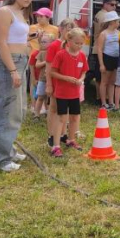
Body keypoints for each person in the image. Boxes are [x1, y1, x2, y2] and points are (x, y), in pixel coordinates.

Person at [0, 0, 34, 172]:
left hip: (20, 62)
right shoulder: (4, 12)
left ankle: (9, 149)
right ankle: (0, 158)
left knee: (17, 111)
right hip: (9, 64)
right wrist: (13, 70)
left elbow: (17, 38)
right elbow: (1, 42)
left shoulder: (21, 13)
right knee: (6, 111)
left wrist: (29, 43)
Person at [49, 28, 88, 157]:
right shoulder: (61, 54)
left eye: (82, 43)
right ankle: (55, 145)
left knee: (74, 117)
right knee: (61, 118)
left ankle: (71, 140)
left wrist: (81, 79)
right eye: (77, 43)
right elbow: (52, 72)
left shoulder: (82, 56)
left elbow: (84, 71)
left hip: (75, 93)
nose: (79, 46)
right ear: (69, 41)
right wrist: (66, 78)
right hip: (62, 93)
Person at [45, 18, 76, 148]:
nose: (68, 32)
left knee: (65, 110)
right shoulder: (54, 45)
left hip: (67, 83)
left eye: (71, 30)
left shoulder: (71, 45)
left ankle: (62, 134)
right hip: (55, 81)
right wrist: (49, 84)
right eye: (67, 29)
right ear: (61, 29)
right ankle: (51, 135)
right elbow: (48, 67)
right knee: (53, 108)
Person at [27, 7, 59, 110]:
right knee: (33, 80)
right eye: (37, 16)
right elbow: (26, 39)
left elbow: (56, 43)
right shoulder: (32, 27)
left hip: (48, 56)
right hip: (34, 55)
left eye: (41, 16)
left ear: (48, 17)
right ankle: (33, 104)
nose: (38, 18)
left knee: (44, 79)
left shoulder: (55, 29)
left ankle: (45, 105)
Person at [96, 10, 120, 110]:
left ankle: (111, 102)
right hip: (107, 58)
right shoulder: (104, 34)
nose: (119, 23)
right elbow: (99, 49)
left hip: (116, 58)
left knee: (112, 81)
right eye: (117, 21)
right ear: (112, 22)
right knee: (104, 81)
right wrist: (101, 64)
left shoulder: (119, 33)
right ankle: (103, 102)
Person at [30, 32, 54, 118]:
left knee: (51, 99)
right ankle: (36, 114)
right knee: (40, 97)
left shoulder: (55, 53)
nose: (42, 43)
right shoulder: (41, 53)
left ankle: (48, 112)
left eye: (44, 42)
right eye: (41, 42)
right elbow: (37, 65)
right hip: (42, 79)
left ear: (52, 43)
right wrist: (46, 62)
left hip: (53, 80)